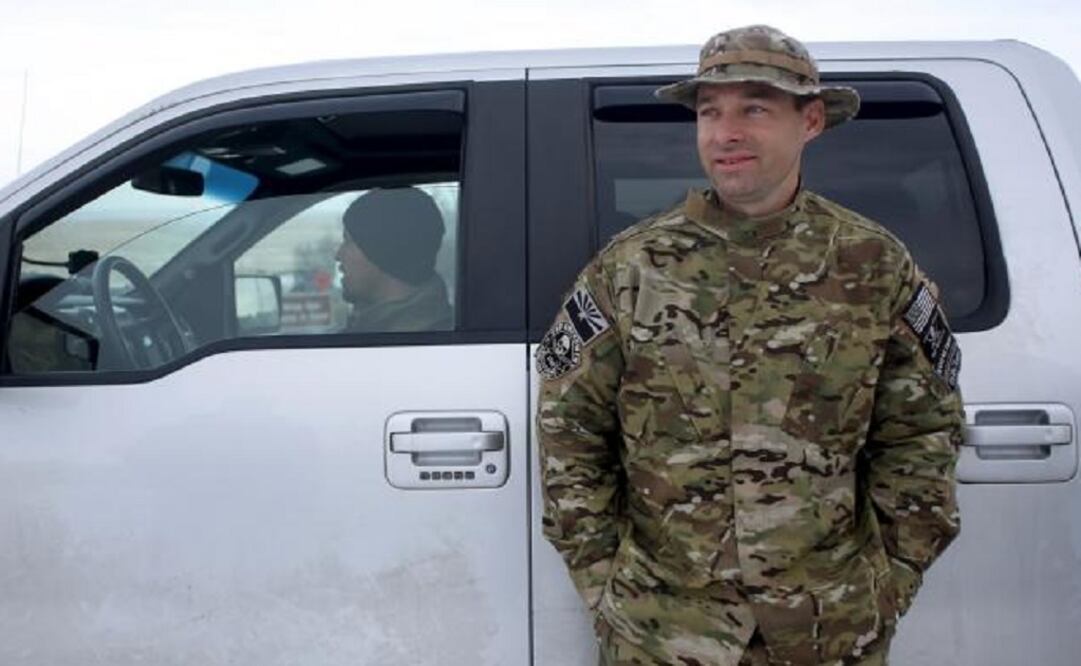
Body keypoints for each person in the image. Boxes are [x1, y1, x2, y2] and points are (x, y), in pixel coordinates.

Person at [536, 25, 963, 666]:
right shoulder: (631, 268)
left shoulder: (873, 263)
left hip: (829, 631)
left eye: (754, 109)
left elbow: (922, 432)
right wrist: (607, 587)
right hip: (663, 634)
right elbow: (568, 430)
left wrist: (887, 585)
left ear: (811, 120)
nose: (725, 132)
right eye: (710, 112)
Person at [336, 186, 452, 333]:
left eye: (349, 241)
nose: (338, 255)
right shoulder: (371, 329)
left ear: (382, 251)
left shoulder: (415, 344)